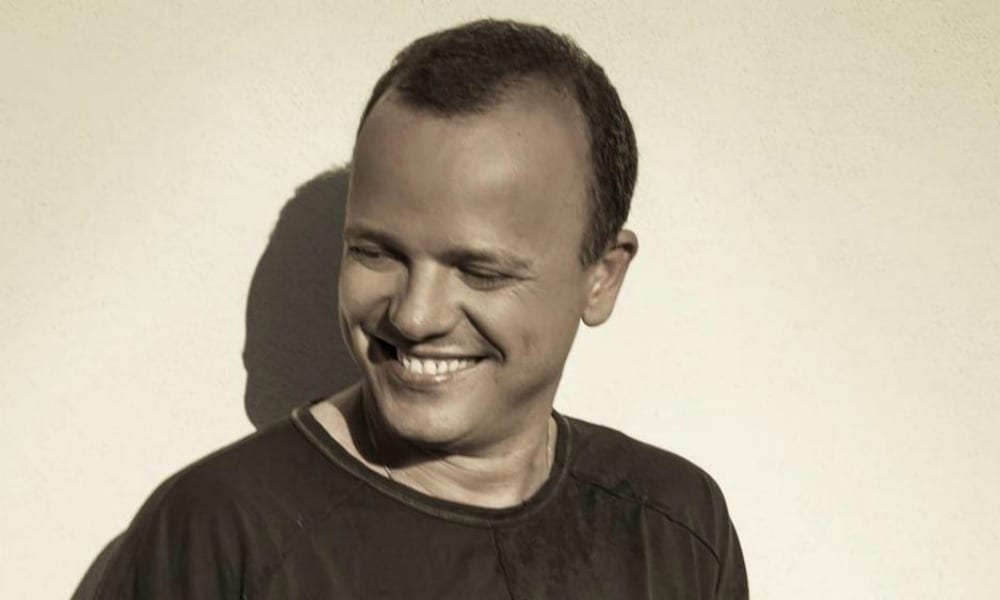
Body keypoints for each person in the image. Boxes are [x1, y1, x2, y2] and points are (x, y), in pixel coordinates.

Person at [93, 19, 748, 599]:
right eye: (376, 253)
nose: (414, 316)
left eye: (480, 271)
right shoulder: (218, 537)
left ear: (602, 277)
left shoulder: (676, 529)